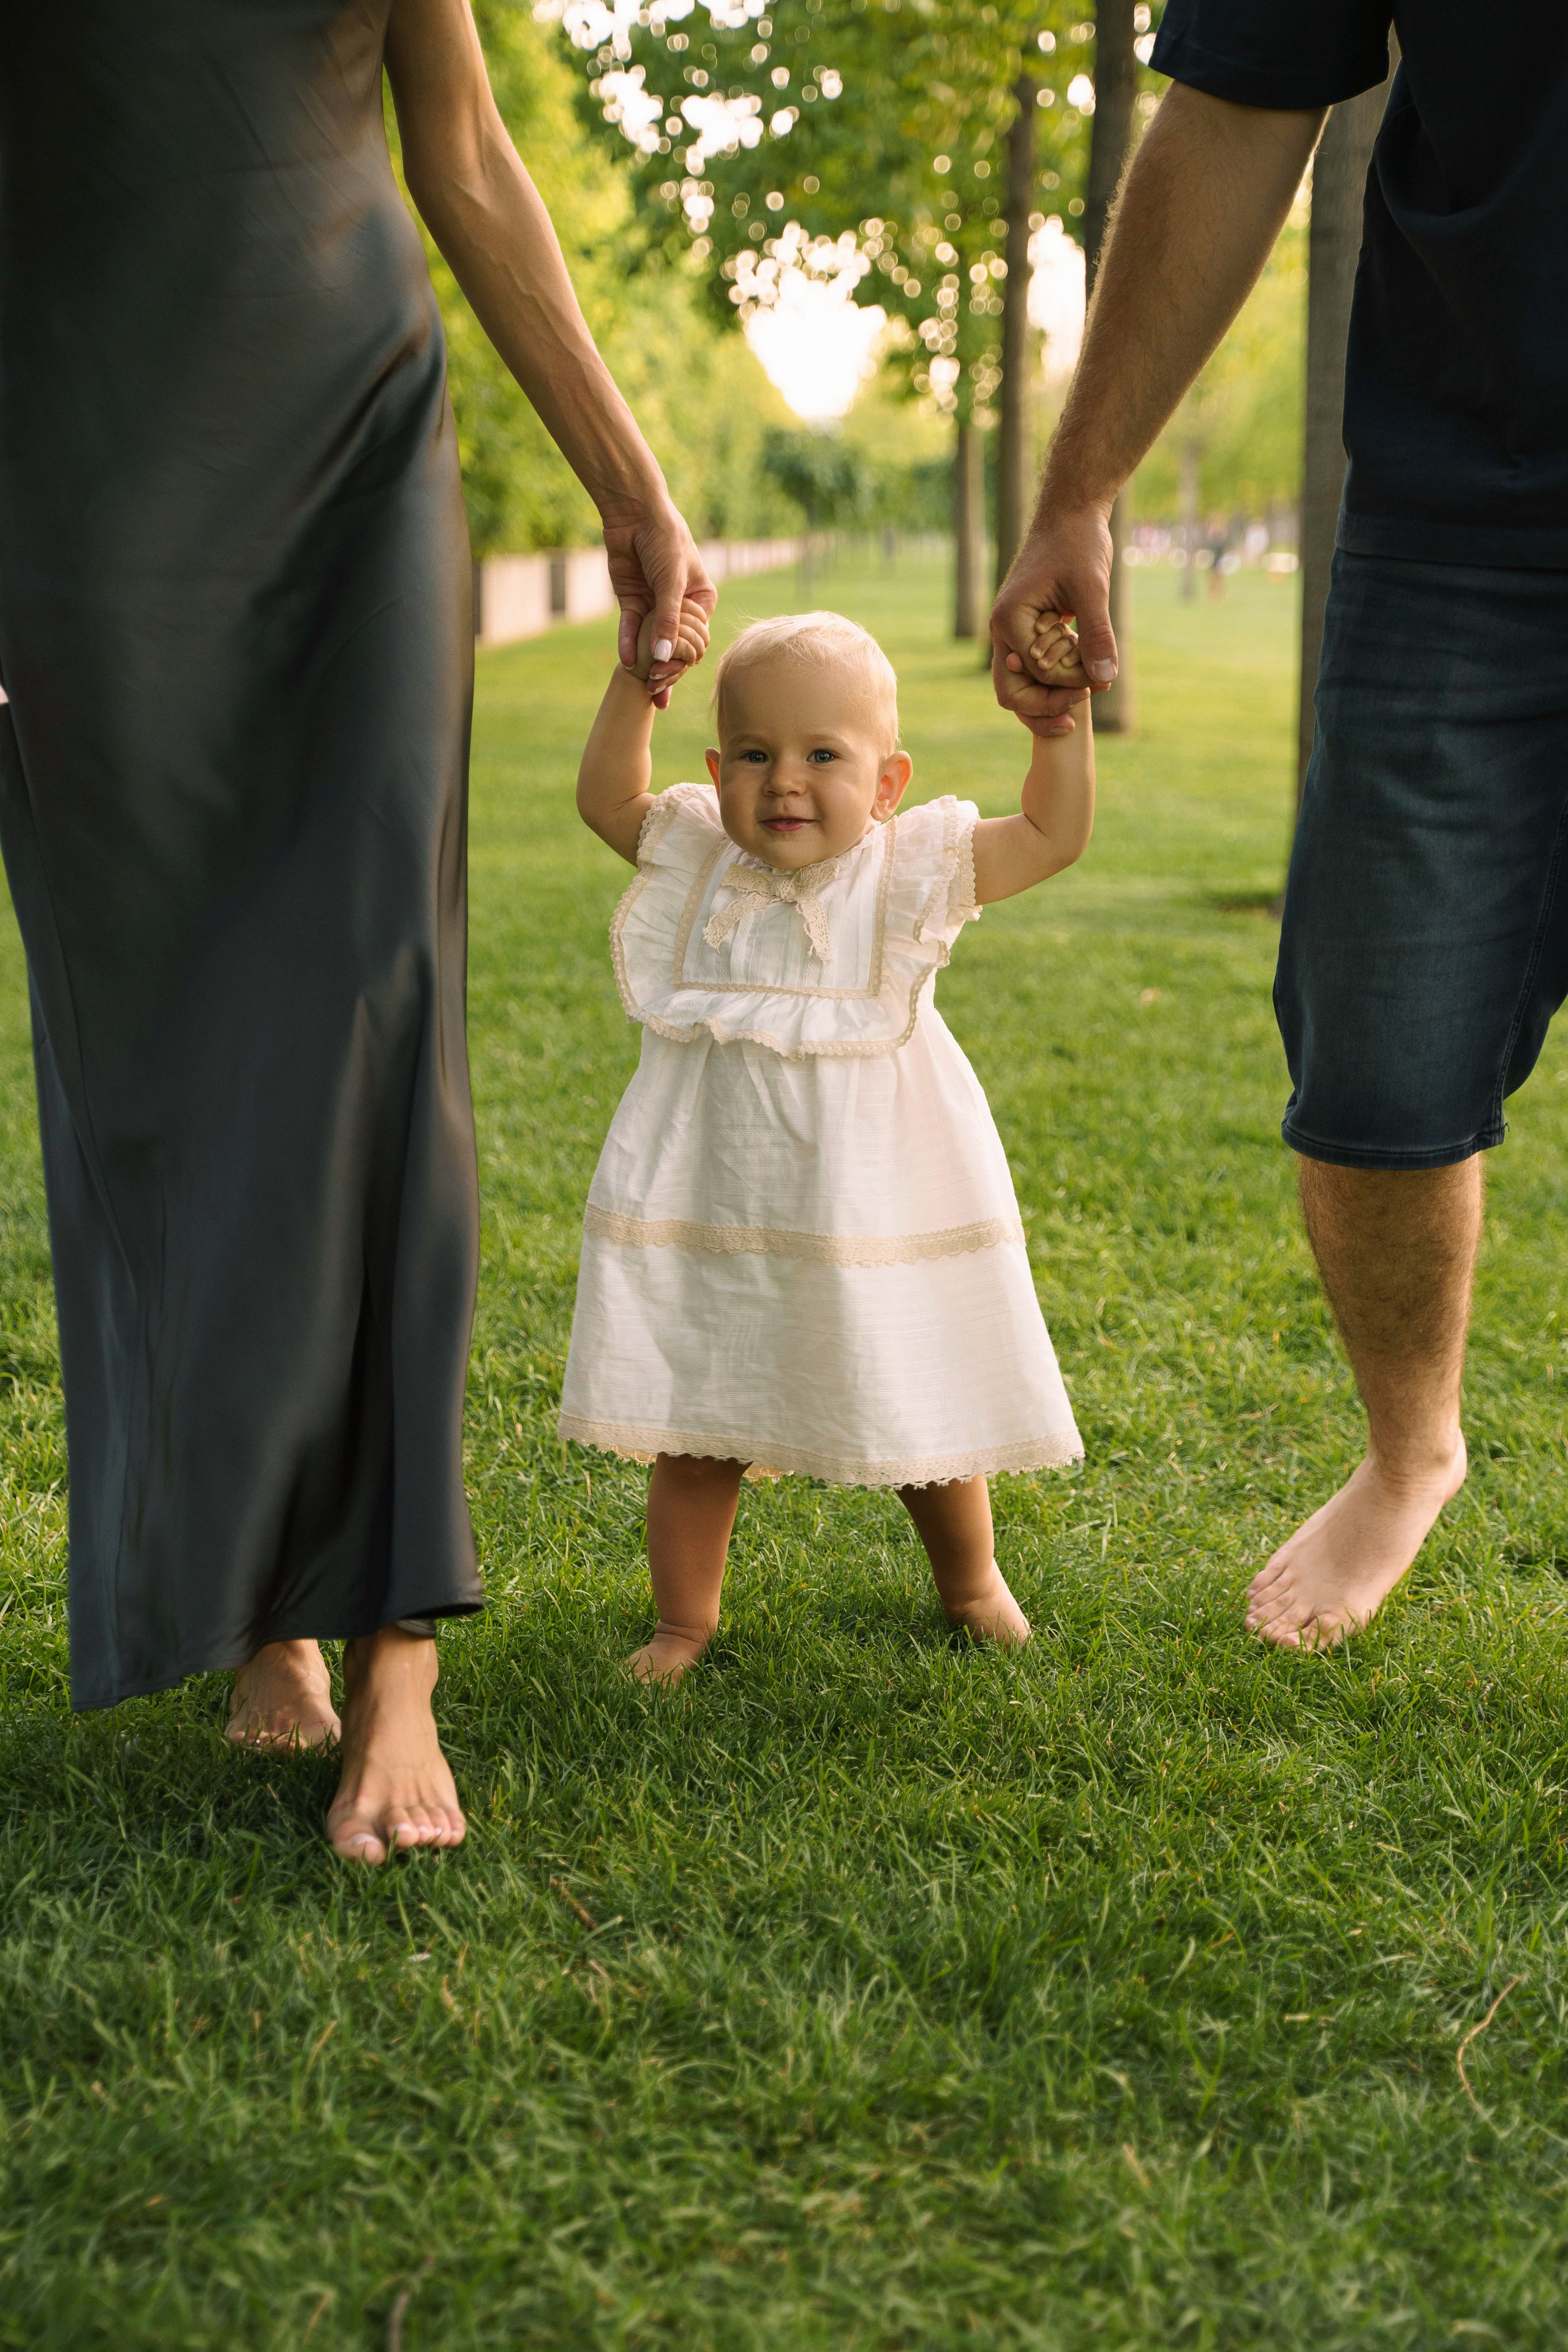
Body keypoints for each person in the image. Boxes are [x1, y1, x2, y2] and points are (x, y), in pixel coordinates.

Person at [0, 0, 713, 1860]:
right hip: (82, 468)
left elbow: (464, 149)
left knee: (383, 999)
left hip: (353, 441)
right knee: (161, 1045)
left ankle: (398, 1647)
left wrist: (628, 481)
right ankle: (259, 1601)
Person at [991, 3, 1568, 1650]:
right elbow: (1239, 99)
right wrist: (1079, 493)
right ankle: (1411, 1451)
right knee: (1375, 1073)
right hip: (1474, 513)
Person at [557, 605, 1093, 1682]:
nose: (784, 782)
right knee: (695, 1413)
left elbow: (1051, 837)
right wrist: (635, 685)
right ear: (716, 770)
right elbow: (606, 798)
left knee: (913, 1393)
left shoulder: (906, 873)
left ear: (888, 783)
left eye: (822, 756)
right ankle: (683, 1623)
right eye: (753, 754)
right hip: (717, 1208)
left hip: (873, 1209)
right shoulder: (698, 853)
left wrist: (1061, 728)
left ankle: (973, 1580)